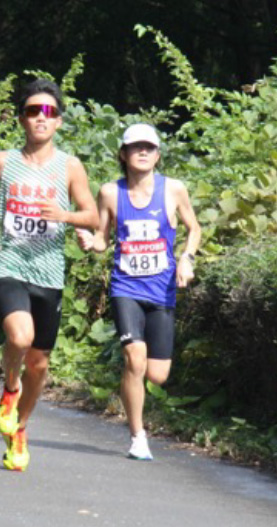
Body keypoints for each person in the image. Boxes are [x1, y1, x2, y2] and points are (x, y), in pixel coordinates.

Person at [0, 79, 99, 472]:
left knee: (39, 364)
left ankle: (19, 430)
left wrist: (65, 215)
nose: (41, 119)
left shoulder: (70, 166)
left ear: (58, 122)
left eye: (49, 112)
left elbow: (92, 215)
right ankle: (9, 391)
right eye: (32, 111)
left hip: (49, 272)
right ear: (21, 119)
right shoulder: (2, 161)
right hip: (10, 263)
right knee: (19, 337)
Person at [76, 124, 201, 460]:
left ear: (158, 155)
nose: (143, 152)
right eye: (135, 147)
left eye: (149, 147)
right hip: (125, 287)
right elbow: (103, 239)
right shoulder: (110, 193)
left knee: (157, 375)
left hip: (161, 291)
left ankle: (132, 388)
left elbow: (194, 228)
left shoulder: (173, 189)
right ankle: (137, 436)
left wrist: (186, 259)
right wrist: (91, 242)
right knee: (135, 357)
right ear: (123, 154)